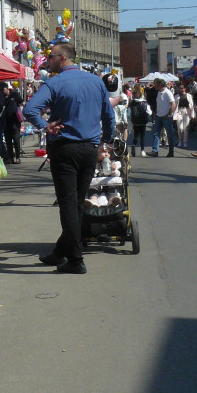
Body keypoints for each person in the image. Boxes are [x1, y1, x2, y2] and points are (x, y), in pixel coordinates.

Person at [24, 43, 114, 274]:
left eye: (51, 57)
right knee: (76, 203)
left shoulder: (54, 83)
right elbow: (109, 115)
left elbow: (30, 110)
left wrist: (45, 125)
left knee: (68, 204)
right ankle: (61, 250)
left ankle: (75, 259)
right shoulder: (96, 81)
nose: (47, 61)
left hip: (65, 147)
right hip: (88, 149)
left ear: (62, 58)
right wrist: (107, 140)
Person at [148, 79, 176, 157]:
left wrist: (169, 114)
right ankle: (155, 150)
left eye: (155, 84)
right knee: (156, 133)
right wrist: (156, 112)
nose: (154, 85)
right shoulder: (159, 93)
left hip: (166, 117)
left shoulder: (167, 92)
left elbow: (173, 104)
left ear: (160, 85)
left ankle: (171, 151)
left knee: (169, 134)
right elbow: (159, 104)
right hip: (159, 116)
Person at [2, 85, 23, 165]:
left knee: (16, 140)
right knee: (8, 141)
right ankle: (10, 157)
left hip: (15, 122)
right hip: (6, 123)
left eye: (3, 89)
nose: (2, 91)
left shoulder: (14, 95)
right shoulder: (2, 97)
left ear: (7, 88)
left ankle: (18, 157)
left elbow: (22, 103)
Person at [128, 86, 150, 156]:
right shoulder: (145, 103)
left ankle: (134, 144)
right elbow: (149, 112)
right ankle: (142, 150)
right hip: (143, 121)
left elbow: (129, 113)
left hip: (135, 122)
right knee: (142, 136)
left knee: (136, 135)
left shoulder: (131, 103)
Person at [172, 84, 194, 149]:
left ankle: (184, 142)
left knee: (186, 128)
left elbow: (192, 106)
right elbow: (174, 105)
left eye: (182, 88)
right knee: (180, 128)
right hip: (179, 112)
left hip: (186, 112)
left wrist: (192, 115)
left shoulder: (189, 96)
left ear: (185, 89)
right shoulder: (176, 96)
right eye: (180, 88)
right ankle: (180, 139)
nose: (181, 89)